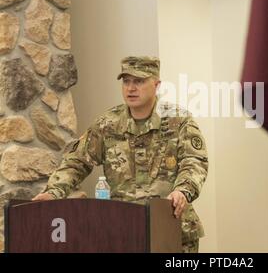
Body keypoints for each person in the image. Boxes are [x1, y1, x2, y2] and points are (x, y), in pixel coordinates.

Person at [32, 56, 209, 253]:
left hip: (172, 229)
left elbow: (195, 163)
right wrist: (54, 191)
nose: (131, 88)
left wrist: (183, 191)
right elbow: (76, 162)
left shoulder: (179, 121)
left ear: (156, 84)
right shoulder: (107, 124)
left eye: (139, 81)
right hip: (124, 231)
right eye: (126, 81)